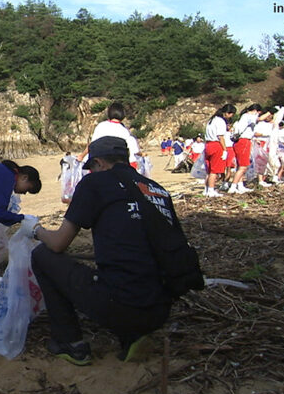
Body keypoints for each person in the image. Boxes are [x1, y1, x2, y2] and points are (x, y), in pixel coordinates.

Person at [29, 136, 175, 365]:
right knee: (130, 271)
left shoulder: (94, 184)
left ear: (100, 163)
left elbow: (58, 243)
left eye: (92, 168)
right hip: (161, 309)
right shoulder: (156, 189)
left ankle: (71, 342)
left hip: (120, 306)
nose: (91, 173)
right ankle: (132, 336)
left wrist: (37, 231)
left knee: (42, 256)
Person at [79, 102, 141, 170]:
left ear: (109, 113)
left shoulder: (101, 126)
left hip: (102, 163)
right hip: (121, 164)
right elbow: (134, 150)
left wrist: (82, 155)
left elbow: (92, 145)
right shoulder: (125, 130)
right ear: (123, 115)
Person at [203, 104, 236, 197]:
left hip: (208, 144)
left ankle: (206, 189)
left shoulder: (211, 120)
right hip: (216, 145)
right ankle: (211, 190)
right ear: (227, 113)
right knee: (214, 170)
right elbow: (220, 136)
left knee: (209, 170)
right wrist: (225, 150)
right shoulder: (220, 121)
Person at [229, 104, 261, 194]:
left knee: (240, 165)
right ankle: (233, 186)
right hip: (244, 142)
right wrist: (271, 112)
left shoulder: (242, 118)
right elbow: (259, 119)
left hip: (239, 142)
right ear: (255, 111)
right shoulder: (248, 116)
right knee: (243, 166)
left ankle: (240, 185)